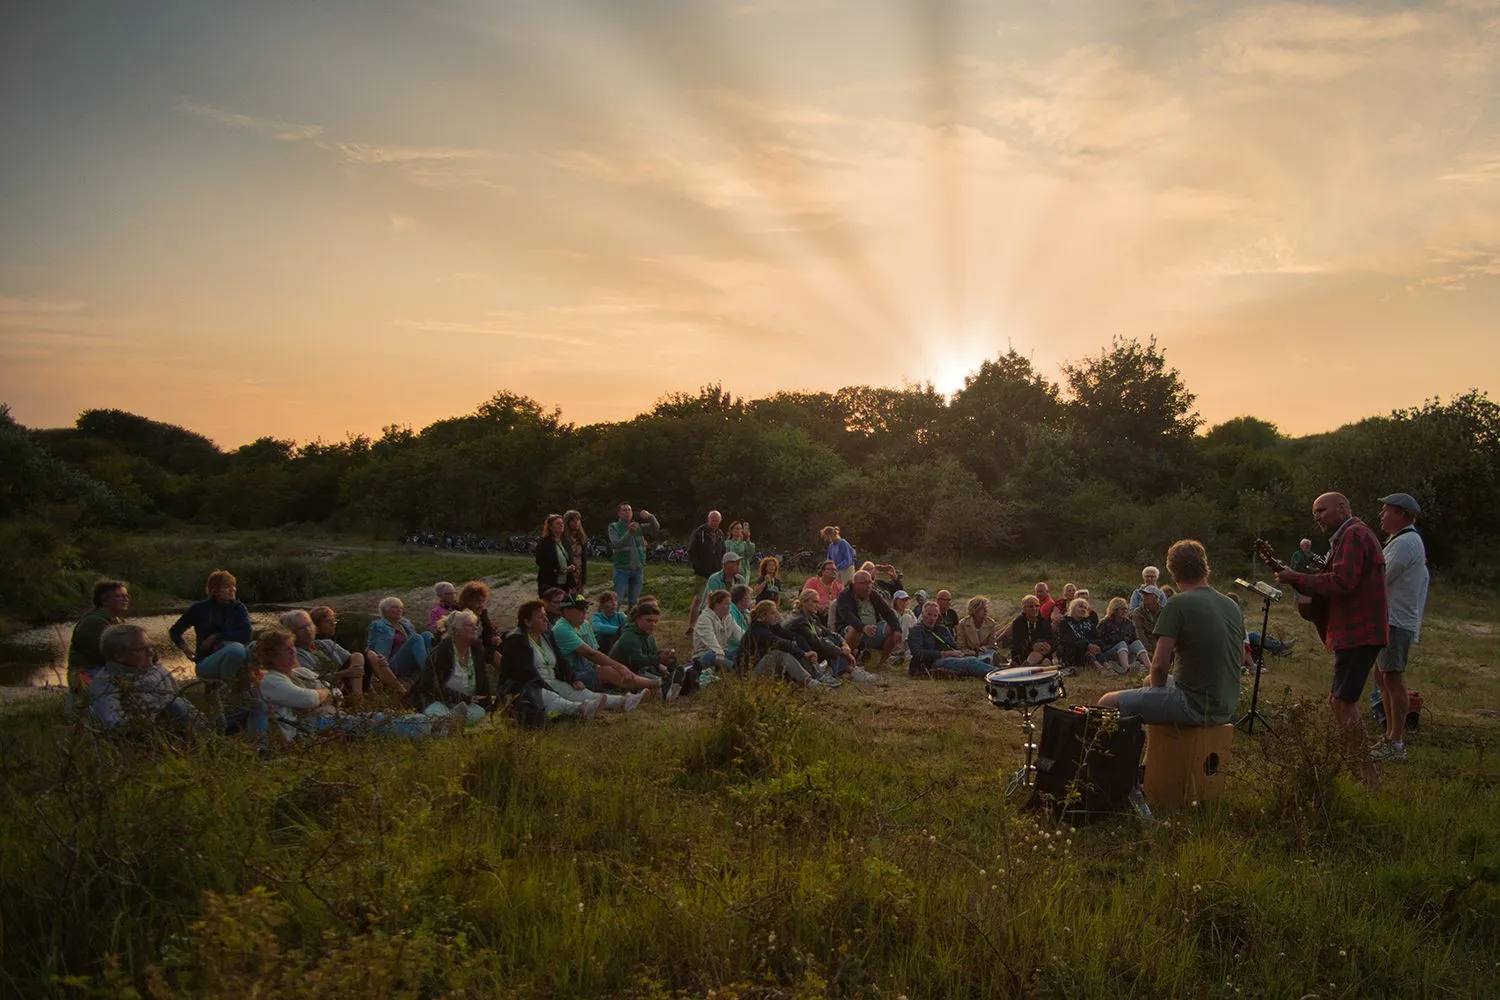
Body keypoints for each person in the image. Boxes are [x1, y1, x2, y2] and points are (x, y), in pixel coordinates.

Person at [1274, 492, 1388, 786]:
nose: (1318, 517)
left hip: (1358, 631)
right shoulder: (1348, 536)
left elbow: (1342, 582)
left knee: (1342, 702)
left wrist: (1296, 578)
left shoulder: (1354, 534)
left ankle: (1368, 775)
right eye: (1315, 513)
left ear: (1342, 507)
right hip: (1354, 631)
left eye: (1322, 510)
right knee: (1337, 701)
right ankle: (1358, 766)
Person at [1100, 540, 1245, 726]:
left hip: (1193, 705)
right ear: (1205, 566)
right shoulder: (1231, 605)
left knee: (1106, 702)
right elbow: (1240, 657)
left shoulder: (1177, 604)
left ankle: (1120, 754)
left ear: (1172, 570)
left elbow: (1160, 665)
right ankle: (1160, 750)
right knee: (1147, 682)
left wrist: (1157, 696)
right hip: (1225, 706)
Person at [256, 627, 429, 741]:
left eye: (292, 647)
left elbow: (337, 694)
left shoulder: (302, 673)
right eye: (287, 649)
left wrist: (321, 697)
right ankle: (427, 728)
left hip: (326, 716)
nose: (293, 651)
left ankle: (427, 723)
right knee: (375, 722)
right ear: (272, 656)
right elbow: (307, 699)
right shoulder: (272, 680)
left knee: (379, 716)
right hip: (307, 727)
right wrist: (322, 697)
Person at [499, 600, 641, 719]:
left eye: (545, 616)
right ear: (527, 622)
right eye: (540, 617)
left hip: (551, 681)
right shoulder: (516, 641)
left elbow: (560, 661)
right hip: (528, 687)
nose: (546, 620)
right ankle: (580, 709)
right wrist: (552, 688)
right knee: (554, 698)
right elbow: (525, 674)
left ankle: (623, 701)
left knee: (582, 692)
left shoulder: (546, 635)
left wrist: (572, 679)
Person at [1369, 492, 1429, 763]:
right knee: (1382, 678)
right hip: (1389, 619)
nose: (1382, 515)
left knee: (1393, 679)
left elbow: (1379, 577)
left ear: (1402, 515)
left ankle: (1395, 742)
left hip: (1396, 620)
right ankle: (1390, 737)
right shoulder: (1401, 541)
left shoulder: (1405, 543)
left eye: (1387, 510)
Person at [87, 624, 199, 730]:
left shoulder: (156, 669)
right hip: (146, 739)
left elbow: (180, 698)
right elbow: (114, 723)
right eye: (142, 649)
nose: (150, 653)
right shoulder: (106, 683)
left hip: (180, 734)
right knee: (175, 708)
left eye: (150, 647)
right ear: (119, 656)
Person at [552, 596, 662, 697]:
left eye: (585, 608)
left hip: (589, 670)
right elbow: (591, 654)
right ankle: (659, 684)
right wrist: (619, 667)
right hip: (571, 677)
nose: (585, 612)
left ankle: (651, 689)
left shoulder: (584, 624)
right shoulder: (562, 628)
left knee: (612, 671)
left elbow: (595, 651)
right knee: (608, 671)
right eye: (580, 610)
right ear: (566, 611)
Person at [169, 569, 254, 681]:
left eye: (233, 585)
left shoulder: (239, 608)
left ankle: (252, 687)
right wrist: (186, 649)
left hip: (234, 656)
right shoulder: (199, 609)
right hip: (206, 662)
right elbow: (175, 631)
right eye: (227, 586)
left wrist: (216, 636)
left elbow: (247, 635)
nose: (232, 589)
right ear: (215, 591)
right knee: (236, 649)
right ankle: (226, 687)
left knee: (256, 646)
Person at [411, 609, 492, 726]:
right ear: (455, 631)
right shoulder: (441, 651)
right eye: (469, 625)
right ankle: (449, 722)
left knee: (480, 712)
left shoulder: (476, 648)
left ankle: (450, 723)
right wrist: (463, 698)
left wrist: (487, 704)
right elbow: (431, 685)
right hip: (437, 699)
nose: (475, 628)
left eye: (475, 625)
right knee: (442, 716)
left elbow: (483, 678)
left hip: (466, 702)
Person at [738, 600, 830, 687]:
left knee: (795, 642)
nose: (776, 616)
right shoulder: (758, 630)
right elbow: (780, 643)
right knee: (779, 653)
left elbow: (789, 635)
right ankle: (809, 681)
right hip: (749, 673)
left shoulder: (768, 626)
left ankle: (814, 670)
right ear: (763, 616)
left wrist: (808, 651)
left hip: (759, 665)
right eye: (773, 613)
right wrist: (804, 653)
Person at [609, 601, 687, 699]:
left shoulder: (648, 635)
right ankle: (667, 689)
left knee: (664, 677)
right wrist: (659, 659)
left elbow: (653, 653)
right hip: (624, 676)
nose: (653, 624)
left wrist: (665, 655)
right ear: (638, 619)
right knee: (656, 684)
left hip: (640, 672)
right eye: (649, 621)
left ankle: (678, 684)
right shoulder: (629, 636)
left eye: (655, 621)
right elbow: (637, 661)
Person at [68, 578, 130, 693]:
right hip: (83, 674)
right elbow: (110, 655)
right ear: (104, 600)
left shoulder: (117, 620)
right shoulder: (93, 622)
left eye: (126, 596)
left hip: (105, 670)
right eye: (119, 596)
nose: (125, 599)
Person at [785, 589, 859, 681]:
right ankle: (848, 670)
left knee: (831, 638)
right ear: (804, 602)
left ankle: (844, 670)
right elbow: (816, 641)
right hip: (803, 653)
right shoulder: (799, 620)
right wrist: (841, 652)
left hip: (814, 650)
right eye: (814, 602)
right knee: (828, 642)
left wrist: (844, 644)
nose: (817, 605)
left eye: (818, 602)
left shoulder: (813, 617)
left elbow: (829, 632)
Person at [906, 601, 992, 679]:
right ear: (923, 614)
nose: (932, 618)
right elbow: (917, 652)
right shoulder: (917, 630)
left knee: (984, 655)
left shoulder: (941, 629)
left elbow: (955, 645)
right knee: (971, 662)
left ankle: (988, 665)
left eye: (935, 615)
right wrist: (943, 654)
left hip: (952, 656)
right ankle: (999, 674)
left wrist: (960, 652)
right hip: (933, 661)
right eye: (929, 614)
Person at [834, 570, 903, 661]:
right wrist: (863, 627)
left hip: (873, 628)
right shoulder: (845, 596)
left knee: (892, 628)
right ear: (855, 585)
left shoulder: (873, 594)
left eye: (870, 582)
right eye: (864, 583)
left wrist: (897, 629)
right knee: (854, 630)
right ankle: (849, 661)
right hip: (850, 630)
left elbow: (888, 613)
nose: (868, 586)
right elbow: (848, 616)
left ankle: (882, 662)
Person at [366, 596, 432, 682]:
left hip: (409, 660)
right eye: (395, 607)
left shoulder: (405, 623)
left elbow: (418, 646)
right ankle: (430, 671)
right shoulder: (378, 625)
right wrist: (373, 667)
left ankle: (433, 665)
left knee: (427, 634)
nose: (399, 610)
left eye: (401, 608)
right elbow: (371, 645)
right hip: (391, 663)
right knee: (416, 637)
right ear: (385, 610)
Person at [607, 502, 659, 607]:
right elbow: (617, 544)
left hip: (638, 568)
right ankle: (614, 621)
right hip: (622, 568)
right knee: (618, 600)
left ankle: (632, 622)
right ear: (619, 513)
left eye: (629, 510)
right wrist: (629, 532)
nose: (627, 512)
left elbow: (655, 527)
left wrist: (650, 516)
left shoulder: (638, 526)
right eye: (624, 510)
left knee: (634, 601)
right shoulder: (614, 527)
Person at [686, 510, 726, 634]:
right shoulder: (700, 532)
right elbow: (692, 551)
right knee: (699, 598)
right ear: (708, 520)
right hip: (702, 572)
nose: (714, 522)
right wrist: (698, 567)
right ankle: (692, 627)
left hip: (716, 572)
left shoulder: (720, 534)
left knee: (716, 599)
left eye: (717, 520)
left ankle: (712, 626)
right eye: (712, 520)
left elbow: (723, 552)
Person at [691, 589, 742, 679]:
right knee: (713, 656)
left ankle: (735, 668)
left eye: (730, 604)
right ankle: (737, 672)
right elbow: (711, 642)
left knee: (741, 650)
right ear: (716, 605)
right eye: (726, 604)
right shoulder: (704, 618)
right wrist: (721, 655)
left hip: (723, 653)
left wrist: (749, 643)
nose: (729, 607)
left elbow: (739, 634)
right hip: (704, 655)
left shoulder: (728, 617)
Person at [1096, 597, 1152, 674]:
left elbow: (1133, 638)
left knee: (1137, 642)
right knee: (1122, 644)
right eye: (1122, 609)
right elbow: (1099, 641)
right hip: (1109, 653)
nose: (1125, 611)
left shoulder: (1129, 623)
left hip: (1126, 653)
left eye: (1126, 609)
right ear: (1115, 610)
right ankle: (1126, 668)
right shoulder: (1105, 623)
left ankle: (1150, 667)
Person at [456, 580, 503, 669]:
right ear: (468, 601)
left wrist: (493, 637)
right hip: (468, 649)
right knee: (491, 653)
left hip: (483, 645)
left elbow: (489, 629)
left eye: (482, 602)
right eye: (478, 602)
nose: (481, 605)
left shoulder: (482, 613)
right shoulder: (458, 615)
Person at [1056, 598, 1101, 675]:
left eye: (1085, 608)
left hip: (1090, 650)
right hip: (1071, 652)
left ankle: (1105, 666)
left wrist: (1092, 645)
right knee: (1084, 649)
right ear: (1073, 608)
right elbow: (1069, 641)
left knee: (1095, 648)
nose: (1083, 609)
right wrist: (1088, 645)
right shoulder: (1065, 623)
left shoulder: (1089, 624)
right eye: (1080, 606)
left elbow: (1099, 639)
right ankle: (1101, 668)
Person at [1008, 595, 1055, 666]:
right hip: (1023, 652)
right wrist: (1032, 646)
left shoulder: (1044, 622)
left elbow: (1051, 640)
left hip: (1043, 653)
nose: (1034, 609)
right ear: (1024, 609)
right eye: (1031, 606)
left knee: (1046, 661)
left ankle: (1029, 667)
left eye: (1037, 606)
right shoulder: (1018, 623)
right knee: (1036, 655)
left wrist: (1048, 646)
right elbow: (1018, 642)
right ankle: (1026, 665)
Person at [956, 595, 1006, 660]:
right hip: (969, 654)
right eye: (982, 608)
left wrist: (983, 649)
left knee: (991, 654)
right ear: (975, 610)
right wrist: (971, 652)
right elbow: (961, 645)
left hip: (985, 652)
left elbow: (992, 644)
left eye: (986, 608)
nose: (986, 610)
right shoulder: (963, 623)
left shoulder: (990, 623)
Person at [535, 514, 573, 597]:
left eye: (562, 523)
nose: (561, 525)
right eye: (558, 523)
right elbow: (540, 561)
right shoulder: (544, 542)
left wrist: (570, 567)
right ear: (550, 526)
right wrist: (558, 569)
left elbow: (569, 558)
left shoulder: (566, 542)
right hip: (549, 582)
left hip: (564, 583)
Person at [1129, 586, 1165, 657]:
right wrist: (1148, 649)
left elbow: (1166, 632)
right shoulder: (1138, 612)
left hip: (1160, 644)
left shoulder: (1164, 612)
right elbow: (1139, 633)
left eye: (1148, 595)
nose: (1144, 597)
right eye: (1144, 594)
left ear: (1155, 597)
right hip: (1145, 645)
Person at [563, 509, 590, 592]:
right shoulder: (563, 538)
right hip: (567, 572)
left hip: (579, 572)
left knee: (579, 599)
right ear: (568, 522)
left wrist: (584, 579)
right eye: (573, 520)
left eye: (578, 520)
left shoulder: (581, 538)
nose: (576, 522)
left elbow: (584, 559)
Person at [727, 584, 752, 662]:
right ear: (743, 600)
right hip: (732, 649)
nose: (751, 599)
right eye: (749, 597)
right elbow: (733, 637)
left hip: (744, 645)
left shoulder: (745, 611)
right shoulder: (730, 613)